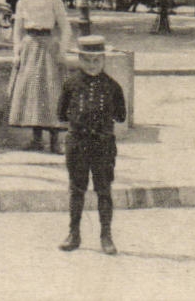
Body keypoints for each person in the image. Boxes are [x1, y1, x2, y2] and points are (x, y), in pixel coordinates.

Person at [56, 35, 127, 255]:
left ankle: (106, 236)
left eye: (97, 60)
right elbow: (61, 114)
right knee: (76, 190)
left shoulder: (113, 87)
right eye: (87, 60)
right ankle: (73, 234)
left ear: (104, 59)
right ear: (79, 59)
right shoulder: (70, 84)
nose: (92, 65)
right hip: (77, 143)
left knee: (103, 190)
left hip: (103, 145)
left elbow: (121, 115)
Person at [8, 0, 72, 153]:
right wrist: (16, 52)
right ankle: (36, 139)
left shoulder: (54, 0)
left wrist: (62, 50)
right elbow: (17, 30)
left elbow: (66, 28)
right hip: (29, 47)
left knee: (51, 89)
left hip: (48, 47)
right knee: (32, 91)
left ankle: (55, 140)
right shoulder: (22, 2)